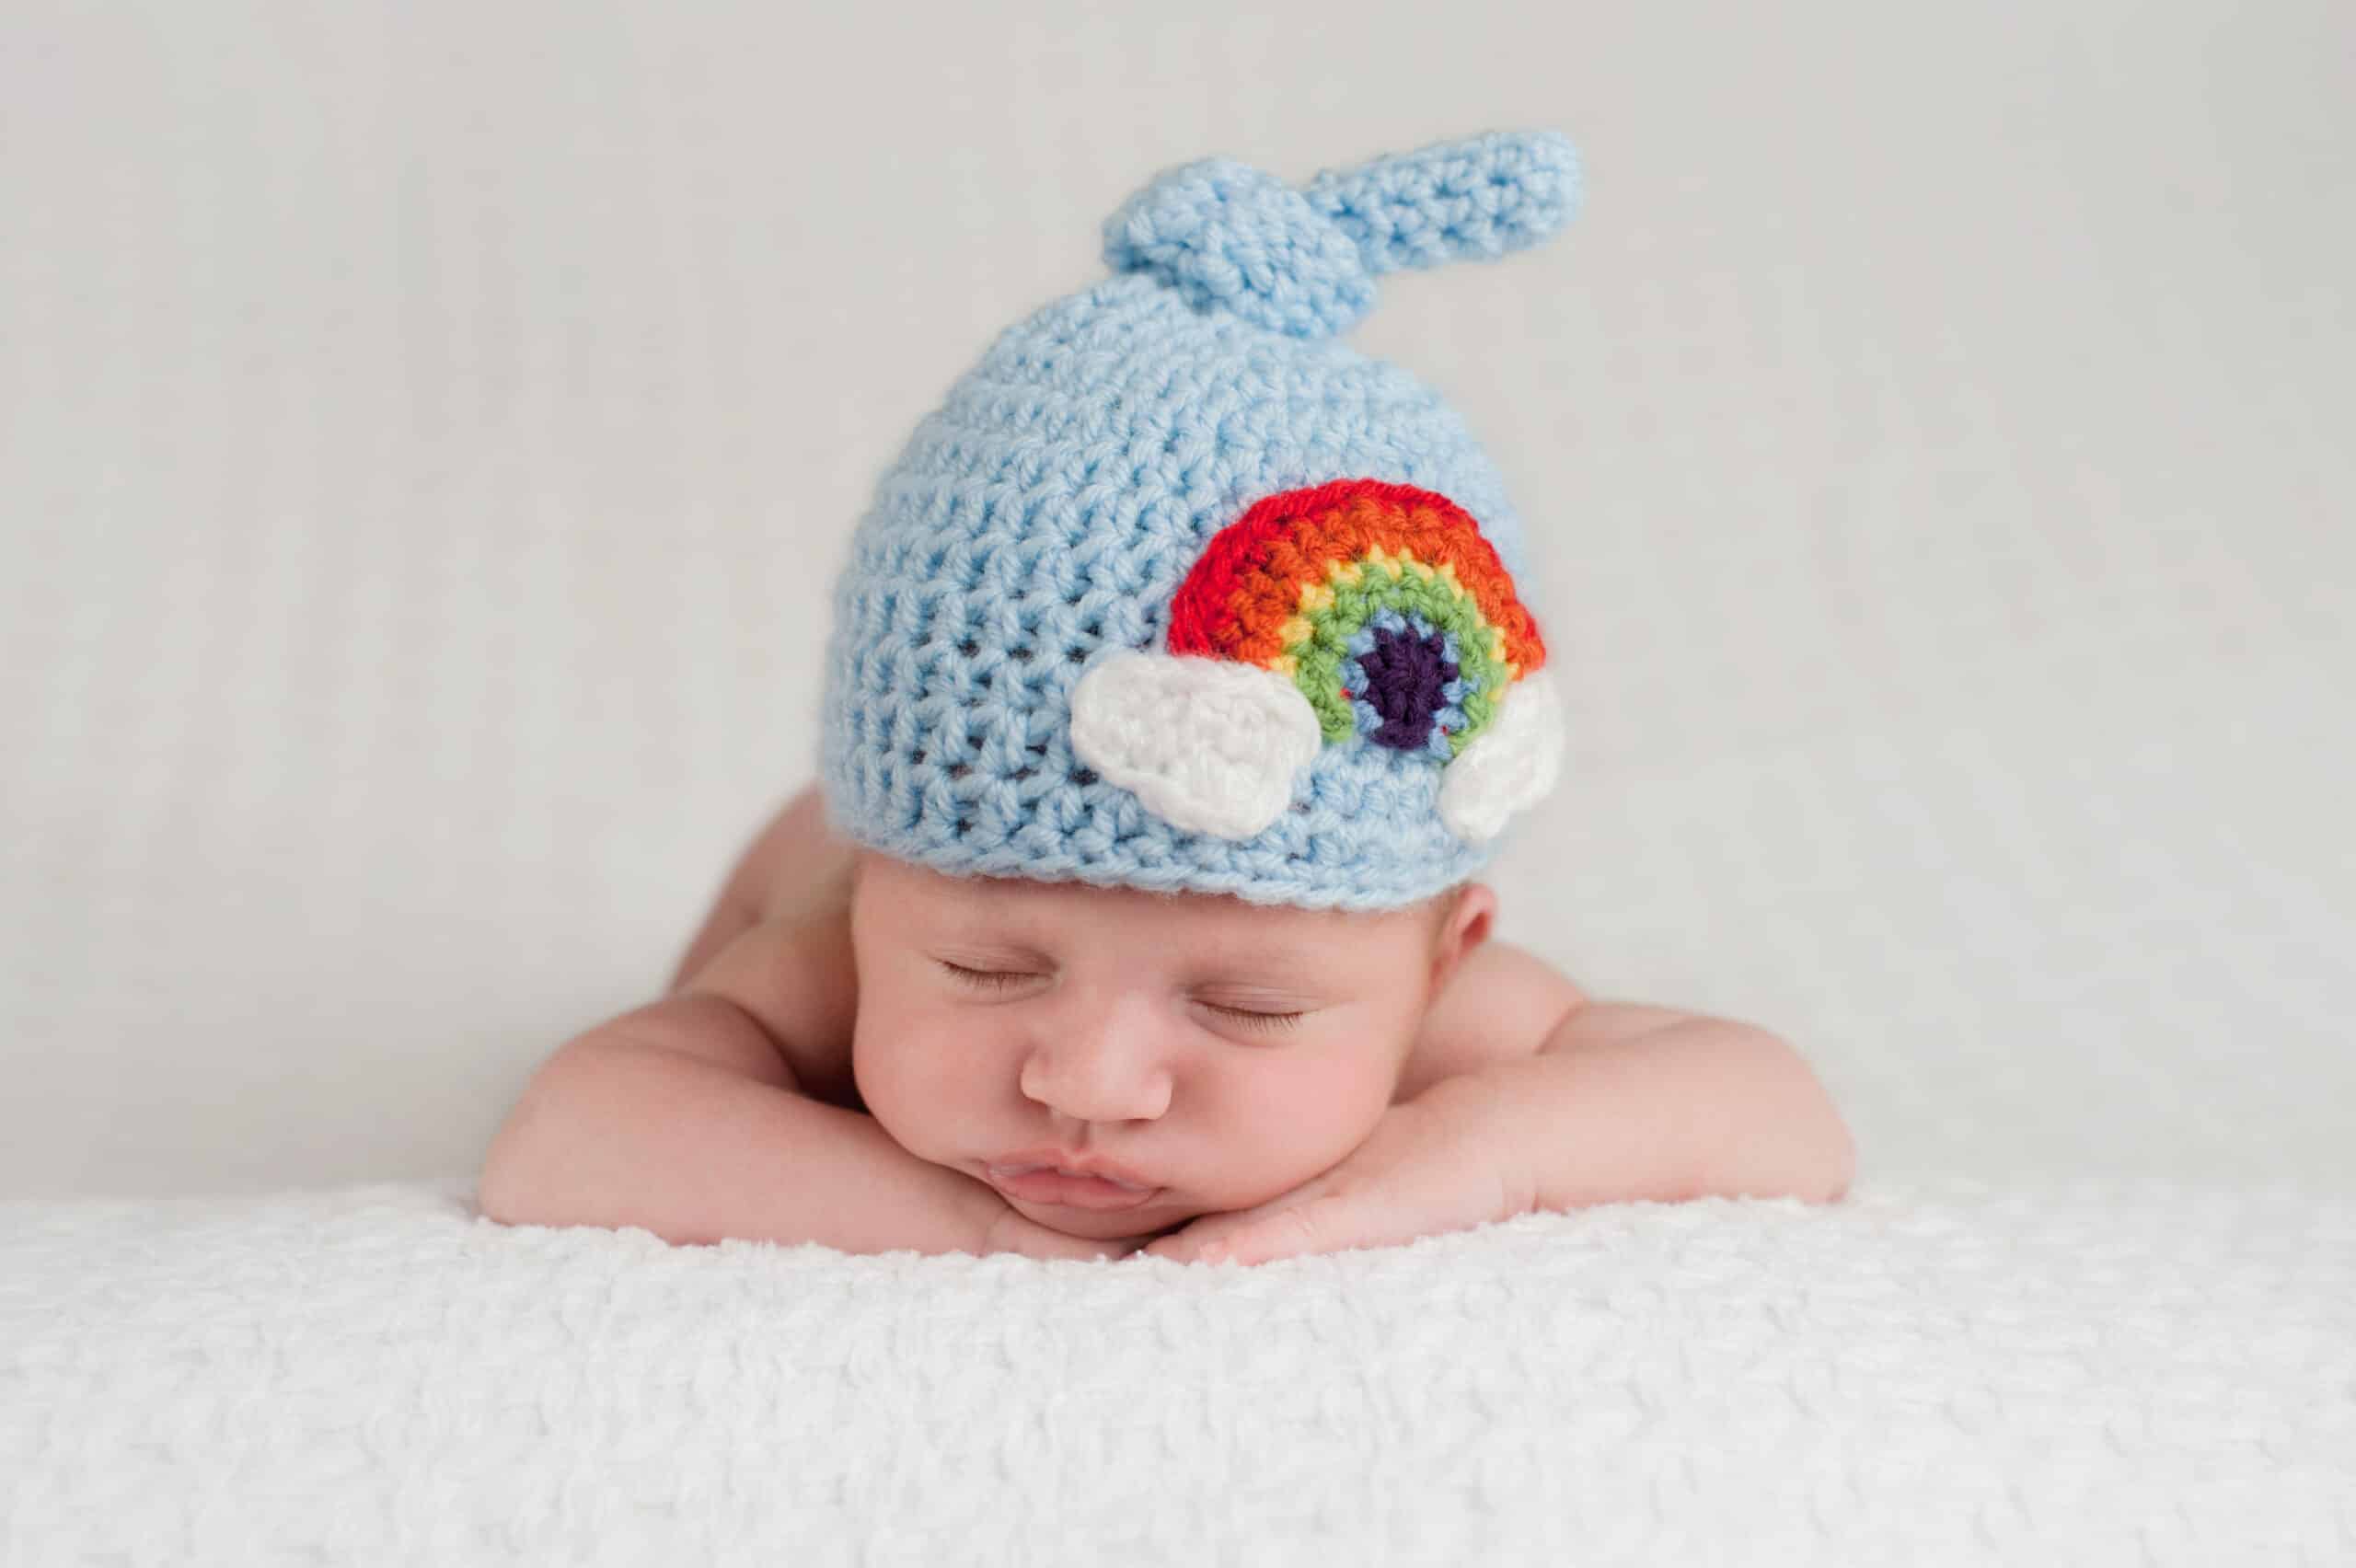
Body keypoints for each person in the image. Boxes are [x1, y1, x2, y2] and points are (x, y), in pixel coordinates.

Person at [478, 130, 1855, 1266]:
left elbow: (1780, 1115)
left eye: (1249, 1008)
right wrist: (966, 1226)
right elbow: (568, 1135)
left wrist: (1463, 1158)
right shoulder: (832, 953)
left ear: (1446, 956)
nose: (1087, 1086)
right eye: (984, 970)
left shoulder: (1451, 1011)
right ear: (877, 887)